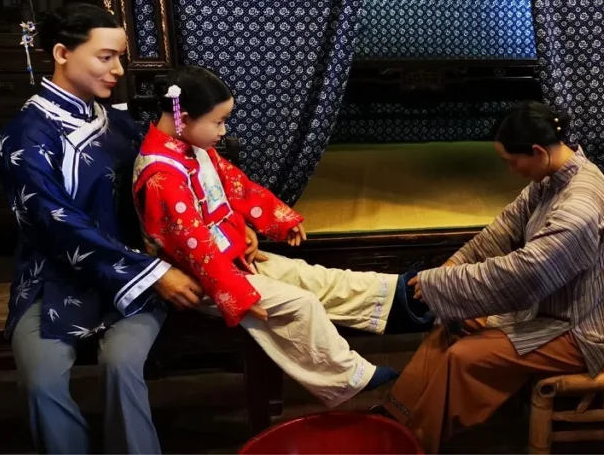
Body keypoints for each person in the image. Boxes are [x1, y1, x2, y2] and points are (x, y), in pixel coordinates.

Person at [131, 65, 432, 408]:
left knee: (311, 276)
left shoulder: (191, 147)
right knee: (299, 304)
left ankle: (396, 298)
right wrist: (238, 294)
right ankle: (349, 377)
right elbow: (193, 246)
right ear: (182, 117)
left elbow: (236, 186)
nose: (223, 130)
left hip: (229, 257)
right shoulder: (161, 173)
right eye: (218, 122)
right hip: (203, 278)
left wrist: (279, 218)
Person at [0, 3, 205, 454]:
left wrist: (225, 218)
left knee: (121, 362)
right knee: (40, 380)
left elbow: (176, 171)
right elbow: (58, 225)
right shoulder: (24, 137)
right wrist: (156, 275)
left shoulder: (116, 121)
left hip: (131, 272)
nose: (117, 70)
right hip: (54, 278)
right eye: (105, 57)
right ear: (61, 53)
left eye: (120, 57)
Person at [377, 101, 604, 453]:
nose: (511, 170)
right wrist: (451, 268)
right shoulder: (553, 177)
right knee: (449, 323)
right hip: (545, 312)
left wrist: (442, 284)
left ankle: (414, 442)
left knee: (463, 356)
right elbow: (503, 229)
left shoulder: (579, 205)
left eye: (512, 161)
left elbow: (525, 275)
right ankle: (393, 418)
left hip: (577, 330)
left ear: (537, 151)